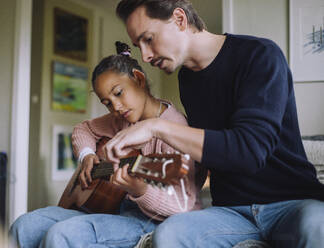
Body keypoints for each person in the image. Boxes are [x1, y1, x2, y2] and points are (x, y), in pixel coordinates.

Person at [100, 0, 324, 247]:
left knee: (318, 225)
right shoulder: (187, 79)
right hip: (231, 212)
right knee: (170, 233)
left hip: (293, 204)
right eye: (138, 46)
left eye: (149, 39)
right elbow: (207, 152)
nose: (145, 55)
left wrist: (156, 127)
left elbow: (248, 152)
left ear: (179, 19)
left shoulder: (260, 54)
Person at [9, 41, 206, 248]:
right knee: (24, 225)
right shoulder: (122, 119)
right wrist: (86, 156)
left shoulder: (175, 128)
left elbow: (182, 203)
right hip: (112, 209)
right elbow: (83, 129)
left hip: (151, 221)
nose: (116, 107)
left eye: (119, 93)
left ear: (138, 80)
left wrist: (140, 190)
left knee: (63, 235)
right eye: (107, 103)